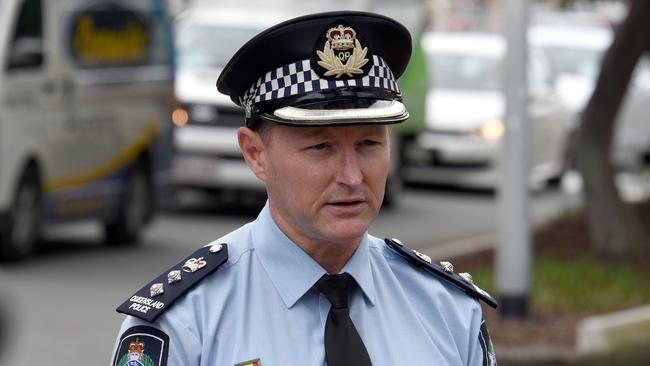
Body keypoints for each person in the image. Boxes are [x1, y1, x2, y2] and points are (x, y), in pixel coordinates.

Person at [111, 10, 498, 366]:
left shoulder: (444, 309)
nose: (351, 176)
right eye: (320, 147)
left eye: (369, 144)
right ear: (255, 153)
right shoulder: (183, 322)